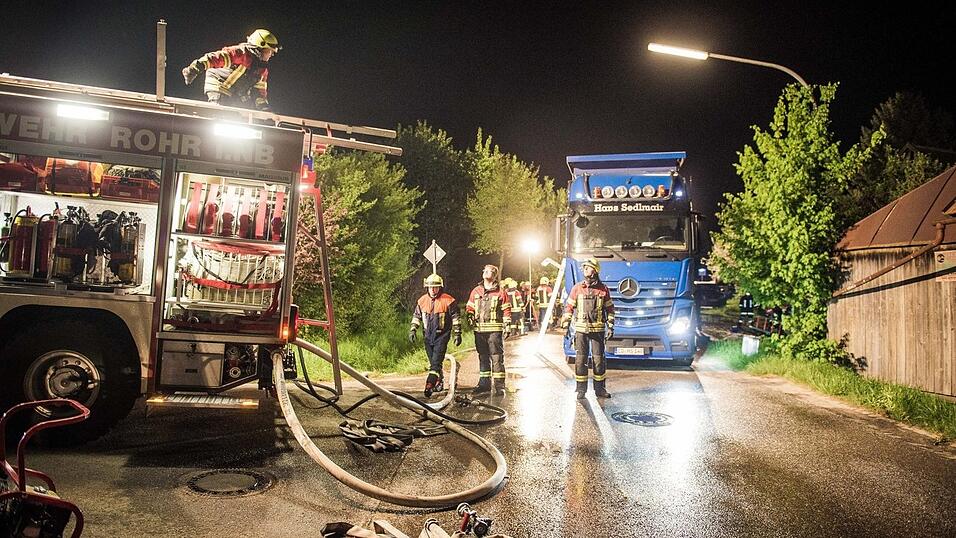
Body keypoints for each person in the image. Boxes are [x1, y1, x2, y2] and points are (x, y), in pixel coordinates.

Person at [182, 29, 280, 111]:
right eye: (269, 51)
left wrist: (264, 109)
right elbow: (214, 58)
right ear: (259, 48)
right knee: (219, 110)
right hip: (218, 86)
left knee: (240, 116)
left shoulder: (262, 70)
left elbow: (259, 91)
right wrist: (194, 69)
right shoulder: (239, 54)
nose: (271, 55)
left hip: (235, 93)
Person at [560, 258, 614, 399]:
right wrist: (565, 326)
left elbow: (610, 309)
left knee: (598, 361)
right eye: (583, 267)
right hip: (581, 330)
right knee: (580, 360)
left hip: (598, 331)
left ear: (594, 271)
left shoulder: (603, 289)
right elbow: (569, 308)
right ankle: (581, 390)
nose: (584, 269)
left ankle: (600, 389)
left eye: (587, 267)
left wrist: (611, 326)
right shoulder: (577, 288)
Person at [408, 273, 461, 397]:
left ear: (440, 287)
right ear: (427, 287)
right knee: (434, 362)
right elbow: (416, 316)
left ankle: (429, 385)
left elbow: (456, 318)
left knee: (435, 364)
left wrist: (457, 333)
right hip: (427, 336)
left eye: (436, 287)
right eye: (431, 287)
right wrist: (413, 330)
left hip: (442, 336)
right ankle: (439, 381)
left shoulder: (448, 300)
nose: (433, 289)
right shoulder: (422, 301)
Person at [466, 265, 511, 395]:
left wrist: (507, 326)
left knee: (496, 358)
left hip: (494, 331)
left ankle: (499, 386)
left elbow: (506, 310)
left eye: (488, 270)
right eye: (484, 270)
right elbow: (470, 306)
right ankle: (484, 384)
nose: (485, 272)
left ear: (494, 274)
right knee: (483, 357)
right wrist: (469, 315)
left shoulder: (501, 292)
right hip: (479, 331)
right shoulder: (476, 291)